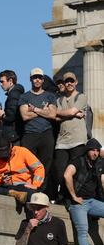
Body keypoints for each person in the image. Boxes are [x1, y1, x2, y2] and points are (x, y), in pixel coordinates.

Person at [53, 71, 89, 202]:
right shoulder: (59, 100)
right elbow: (54, 116)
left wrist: (65, 113)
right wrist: (72, 114)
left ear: (76, 82)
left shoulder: (81, 96)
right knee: (59, 171)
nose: (69, 83)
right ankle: (62, 197)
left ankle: (73, 198)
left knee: (75, 172)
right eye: (67, 81)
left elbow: (71, 111)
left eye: (71, 81)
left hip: (78, 140)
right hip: (62, 141)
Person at [64, 138, 104, 245]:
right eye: (92, 150)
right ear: (87, 150)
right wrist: (74, 196)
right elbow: (67, 175)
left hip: (92, 202)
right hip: (78, 204)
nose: (95, 153)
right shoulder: (78, 161)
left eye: (97, 150)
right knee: (82, 232)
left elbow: (103, 181)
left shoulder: (98, 163)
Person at [19, 68, 57, 190]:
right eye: (35, 77)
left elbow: (52, 115)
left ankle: (41, 191)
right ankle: (28, 189)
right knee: (28, 164)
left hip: (46, 134)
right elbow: (25, 116)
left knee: (45, 164)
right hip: (30, 134)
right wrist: (42, 111)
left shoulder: (50, 96)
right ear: (31, 79)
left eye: (39, 77)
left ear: (43, 79)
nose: (37, 80)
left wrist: (34, 109)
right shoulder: (25, 96)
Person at [0, 133, 44, 206]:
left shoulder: (22, 151)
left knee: (31, 196)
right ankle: (10, 192)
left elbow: (39, 168)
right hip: (4, 186)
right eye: (0, 153)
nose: (3, 156)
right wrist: (0, 180)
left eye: (5, 152)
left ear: (11, 146)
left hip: (22, 185)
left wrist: (35, 185)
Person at [0, 70, 25, 144]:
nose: (0, 84)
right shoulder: (15, 93)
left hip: (14, 134)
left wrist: (2, 114)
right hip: (15, 133)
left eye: (2, 81)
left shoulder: (13, 95)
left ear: (10, 81)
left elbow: (11, 116)